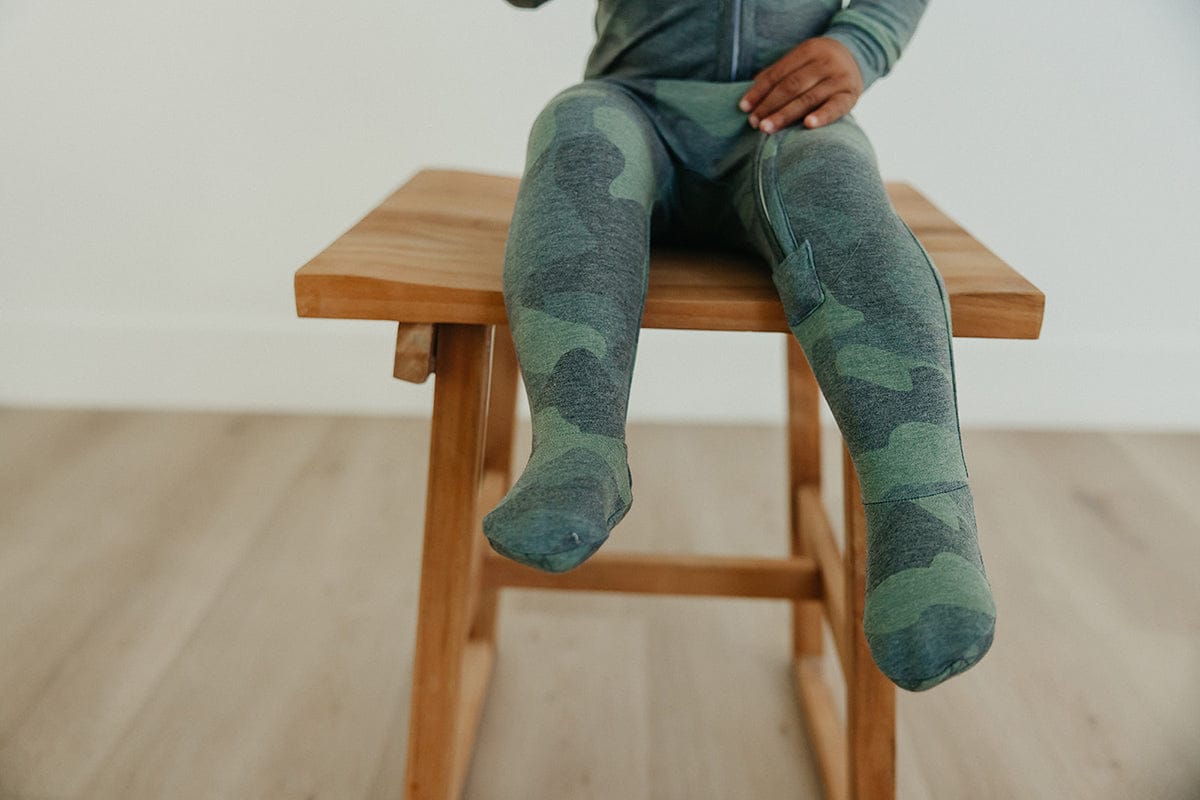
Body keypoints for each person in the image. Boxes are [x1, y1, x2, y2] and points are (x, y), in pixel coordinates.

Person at [482, 0, 996, 692]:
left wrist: (861, 43)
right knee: (574, 132)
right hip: (632, 106)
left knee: (841, 196)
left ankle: (924, 514)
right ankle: (577, 453)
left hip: (789, 121)